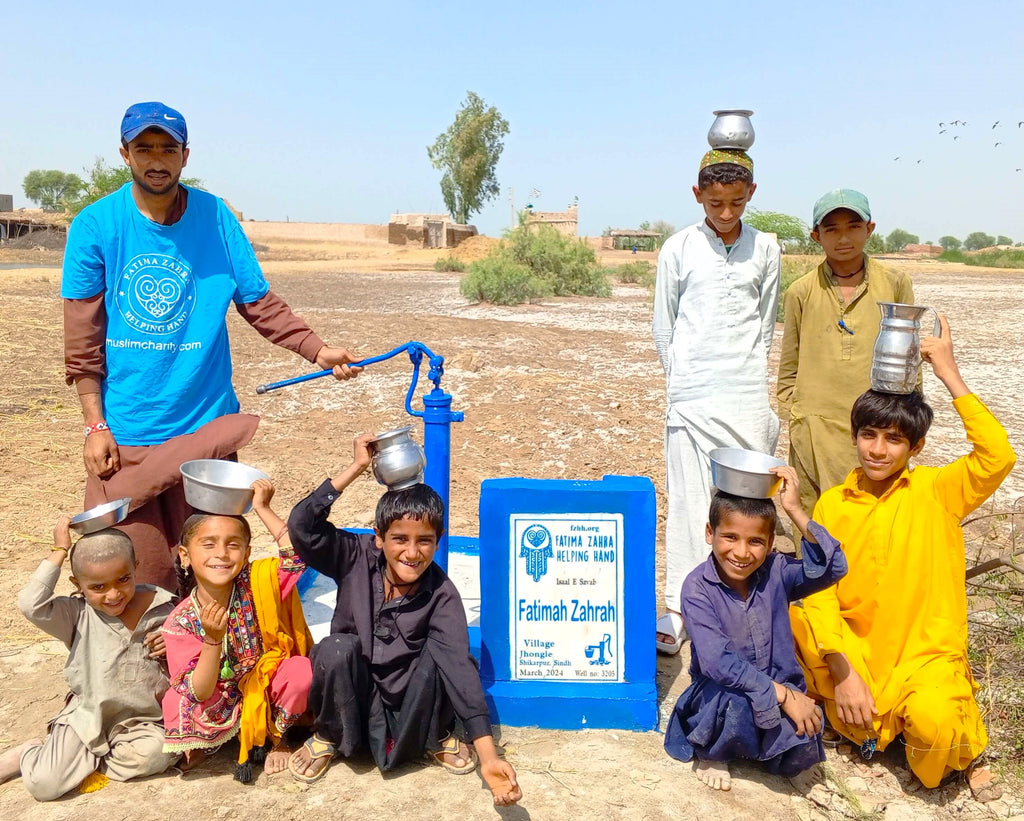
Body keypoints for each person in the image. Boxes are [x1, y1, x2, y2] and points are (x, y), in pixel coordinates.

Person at [62, 101, 363, 593]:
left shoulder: (215, 216)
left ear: (185, 155)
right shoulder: (96, 226)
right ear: (125, 154)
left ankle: (217, 668)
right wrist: (95, 425)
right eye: (144, 148)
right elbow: (83, 339)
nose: (156, 159)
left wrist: (315, 349)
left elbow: (257, 300)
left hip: (206, 432)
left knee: (215, 571)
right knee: (141, 577)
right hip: (129, 435)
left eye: (167, 148)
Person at [790, 316, 1016, 791]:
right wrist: (843, 669)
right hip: (858, 658)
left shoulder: (939, 491)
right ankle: (861, 720)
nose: (877, 450)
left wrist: (948, 373)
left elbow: (998, 456)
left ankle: (955, 746)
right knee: (794, 616)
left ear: (916, 446)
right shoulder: (833, 503)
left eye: (894, 439)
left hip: (921, 658)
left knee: (935, 731)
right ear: (854, 437)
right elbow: (822, 594)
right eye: (869, 435)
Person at [285, 433, 522, 807]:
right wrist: (356, 468)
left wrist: (491, 758)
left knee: (445, 658)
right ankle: (329, 736)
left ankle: (436, 736)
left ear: (439, 540)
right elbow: (302, 527)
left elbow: (460, 672)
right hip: (354, 693)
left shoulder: (441, 594)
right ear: (378, 537)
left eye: (424, 541)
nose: (411, 553)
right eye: (399, 539)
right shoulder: (354, 557)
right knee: (335, 648)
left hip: (410, 706)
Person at [652, 148, 781, 654]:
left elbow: (765, 324)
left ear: (751, 193)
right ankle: (680, 608)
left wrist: (742, 373)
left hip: (746, 393)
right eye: (714, 202)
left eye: (735, 202)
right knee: (687, 503)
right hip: (691, 396)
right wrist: (682, 381)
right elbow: (665, 325)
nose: (725, 213)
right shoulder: (677, 248)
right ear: (697, 195)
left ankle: (746, 605)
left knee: (748, 504)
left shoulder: (767, 248)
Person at [665, 470, 847, 791]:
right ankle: (713, 753)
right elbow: (717, 664)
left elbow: (835, 567)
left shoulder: (777, 571)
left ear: (770, 543)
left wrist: (794, 509)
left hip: (778, 690)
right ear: (710, 532)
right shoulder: (697, 588)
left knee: (805, 730)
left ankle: (765, 748)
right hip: (722, 694)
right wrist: (786, 695)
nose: (741, 553)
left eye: (755, 541)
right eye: (730, 537)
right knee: (733, 705)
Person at [0, 517, 177, 800]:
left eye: (123, 579)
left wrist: (173, 642)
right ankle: (31, 753)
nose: (114, 594)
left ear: (136, 569)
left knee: (154, 756)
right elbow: (30, 604)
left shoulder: (164, 608)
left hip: (143, 721)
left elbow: (193, 651)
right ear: (77, 584)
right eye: (98, 587)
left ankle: (82, 762)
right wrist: (59, 550)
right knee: (44, 786)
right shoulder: (76, 614)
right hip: (87, 717)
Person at [161, 479, 312, 783]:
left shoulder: (258, 583)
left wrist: (263, 508)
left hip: (267, 689)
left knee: (300, 672)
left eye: (233, 544)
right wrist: (212, 639)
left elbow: (297, 559)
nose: (222, 554)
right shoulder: (179, 622)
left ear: (246, 553)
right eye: (208, 544)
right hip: (220, 699)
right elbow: (200, 690)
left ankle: (276, 738)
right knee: (177, 699)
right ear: (185, 555)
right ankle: (217, 740)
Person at [777, 189, 916, 513]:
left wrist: (908, 418)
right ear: (816, 236)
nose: (843, 238)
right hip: (814, 426)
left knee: (874, 513)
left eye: (853, 226)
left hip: (876, 424)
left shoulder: (894, 283)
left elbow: (909, 355)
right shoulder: (801, 291)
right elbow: (789, 365)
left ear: (869, 229)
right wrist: (795, 417)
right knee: (814, 518)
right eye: (831, 229)